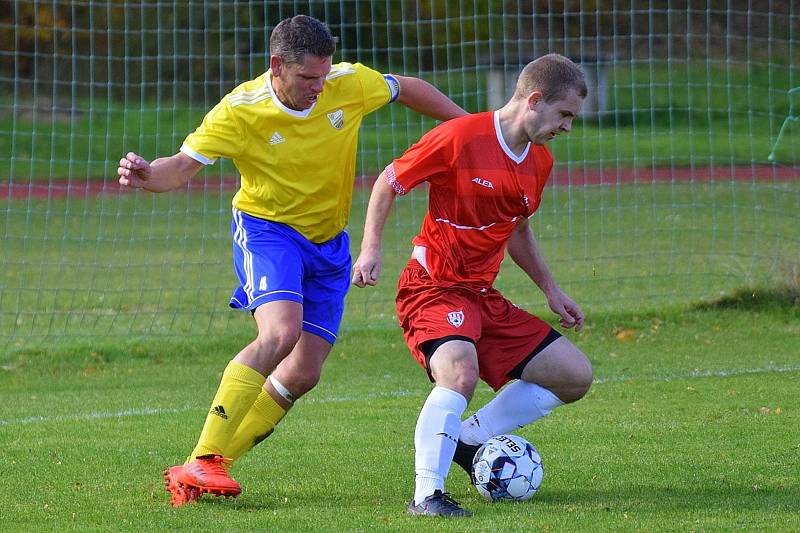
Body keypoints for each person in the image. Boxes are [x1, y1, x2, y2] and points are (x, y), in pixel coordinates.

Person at [117, 15, 467, 507]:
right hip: (268, 230)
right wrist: (146, 174)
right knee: (280, 333)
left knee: (304, 372)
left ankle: (199, 473)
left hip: (329, 243)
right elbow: (178, 170)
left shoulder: (346, 84)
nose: (319, 88)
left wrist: (469, 126)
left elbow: (406, 87)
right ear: (277, 66)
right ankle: (203, 456)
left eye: (324, 76)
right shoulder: (240, 111)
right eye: (308, 79)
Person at [352, 53, 593, 518]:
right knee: (459, 373)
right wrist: (370, 248)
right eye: (564, 114)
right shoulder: (460, 137)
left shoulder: (539, 161)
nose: (567, 127)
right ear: (535, 100)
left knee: (573, 376)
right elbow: (389, 181)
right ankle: (427, 494)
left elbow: (516, 228)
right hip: (432, 287)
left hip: (481, 295)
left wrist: (550, 289)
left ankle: (468, 438)